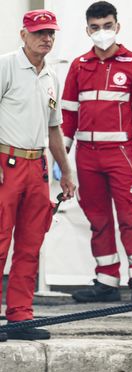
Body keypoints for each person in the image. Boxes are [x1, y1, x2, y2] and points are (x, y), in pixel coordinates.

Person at [60, 2, 132, 303]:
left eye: (107, 25)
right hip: (86, 156)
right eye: (96, 27)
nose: (102, 32)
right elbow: (67, 114)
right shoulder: (78, 65)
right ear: (87, 29)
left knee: (130, 217)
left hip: (121, 154)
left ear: (117, 26)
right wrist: (62, 157)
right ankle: (106, 281)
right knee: (97, 219)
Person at [0, 10, 76, 341]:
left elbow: (54, 127)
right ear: (23, 35)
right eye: (39, 32)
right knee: (1, 239)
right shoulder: (6, 66)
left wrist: (67, 172)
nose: (46, 38)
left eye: (51, 33)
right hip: (7, 161)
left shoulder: (50, 77)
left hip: (36, 166)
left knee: (31, 243)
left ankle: (20, 315)